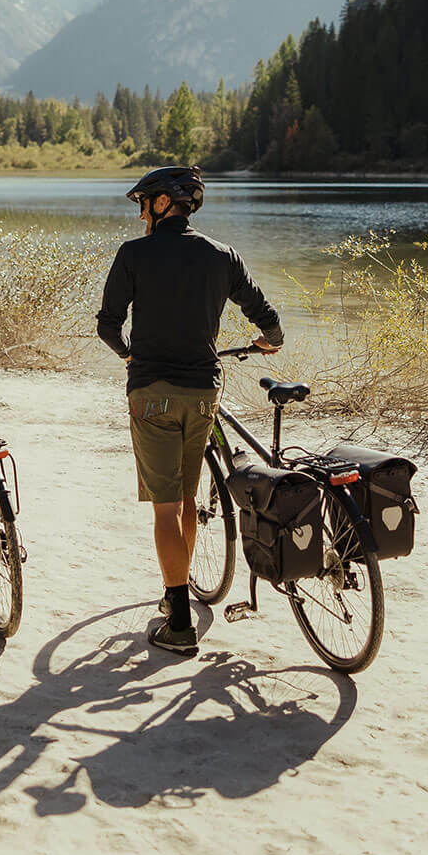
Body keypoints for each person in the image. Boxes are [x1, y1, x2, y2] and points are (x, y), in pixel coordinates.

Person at [96, 165, 282, 655]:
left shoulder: (133, 254)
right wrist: (268, 341)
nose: (140, 215)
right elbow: (265, 314)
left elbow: (108, 325)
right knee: (187, 498)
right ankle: (176, 594)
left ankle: (178, 621)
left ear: (161, 204)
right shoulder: (221, 255)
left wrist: (128, 353)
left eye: (144, 204)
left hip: (151, 393)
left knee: (164, 506)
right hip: (203, 392)